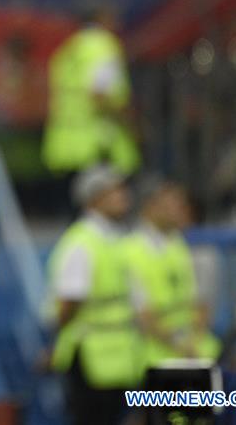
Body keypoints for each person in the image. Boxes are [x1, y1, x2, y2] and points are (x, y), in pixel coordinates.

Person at [46, 164, 142, 425]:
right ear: (93, 199)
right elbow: (68, 302)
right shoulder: (82, 241)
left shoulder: (115, 237)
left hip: (116, 354)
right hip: (89, 355)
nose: (124, 196)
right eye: (114, 191)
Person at [124, 178, 221, 366]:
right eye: (171, 203)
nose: (179, 209)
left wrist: (193, 342)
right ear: (151, 206)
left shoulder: (179, 244)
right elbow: (142, 315)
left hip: (195, 351)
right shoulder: (131, 250)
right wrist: (181, 346)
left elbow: (201, 302)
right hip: (155, 357)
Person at [42, 2, 140, 177]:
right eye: (113, 17)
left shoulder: (69, 49)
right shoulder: (103, 46)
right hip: (100, 148)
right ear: (102, 18)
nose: (118, 23)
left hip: (66, 148)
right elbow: (100, 94)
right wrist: (132, 121)